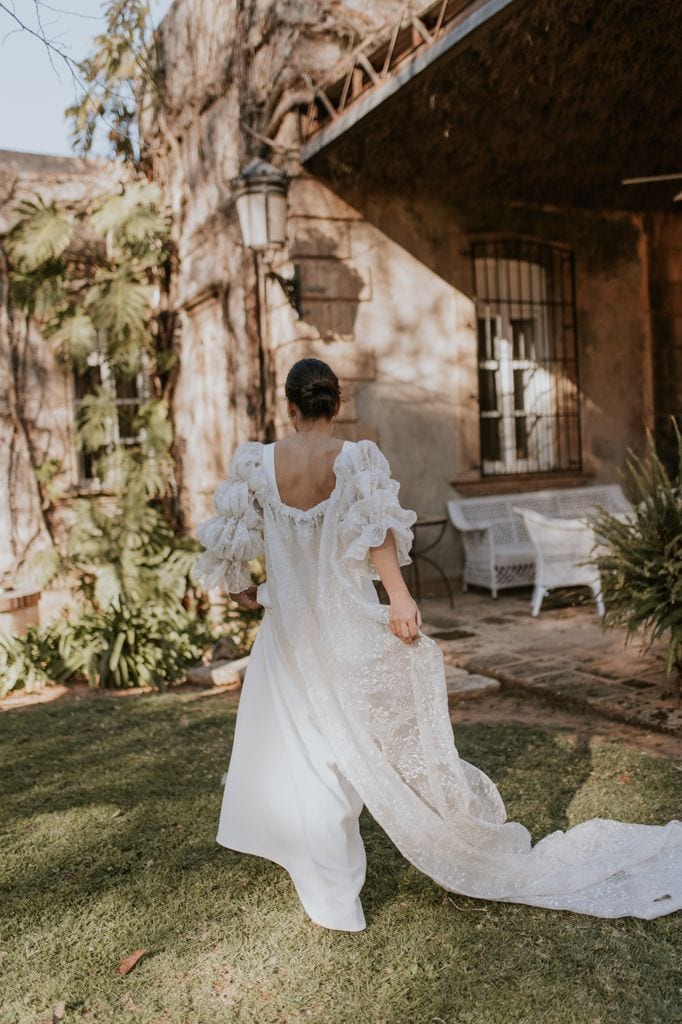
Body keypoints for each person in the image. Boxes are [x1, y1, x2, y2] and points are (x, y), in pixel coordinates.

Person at [192, 357, 682, 932]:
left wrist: (247, 589)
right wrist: (399, 600)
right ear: (337, 406)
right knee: (348, 750)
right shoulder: (355, 460)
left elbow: (231, 545)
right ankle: (331, 886)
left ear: (290, 408)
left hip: (289, 632)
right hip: (344, 625)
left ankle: (331, 891)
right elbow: (379, 534)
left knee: (306, 754)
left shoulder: (256, 462)